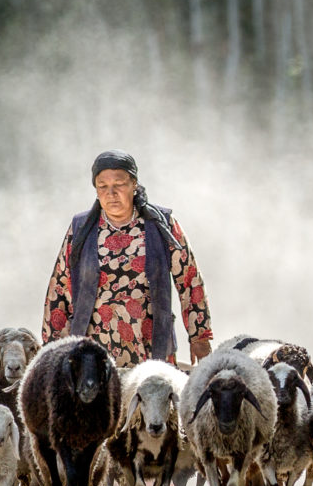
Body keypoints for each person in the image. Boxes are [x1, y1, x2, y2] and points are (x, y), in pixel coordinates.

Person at [41, 150, 214, 365]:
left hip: (152, 346)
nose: (111, 193)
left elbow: (189, 281)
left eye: (119, 184)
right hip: (92, 354)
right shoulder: (80, 228)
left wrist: (199, 336)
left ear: (134, 184)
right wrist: (52, 346)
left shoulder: (162, 225)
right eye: (102, 186)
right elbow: (60, 286)